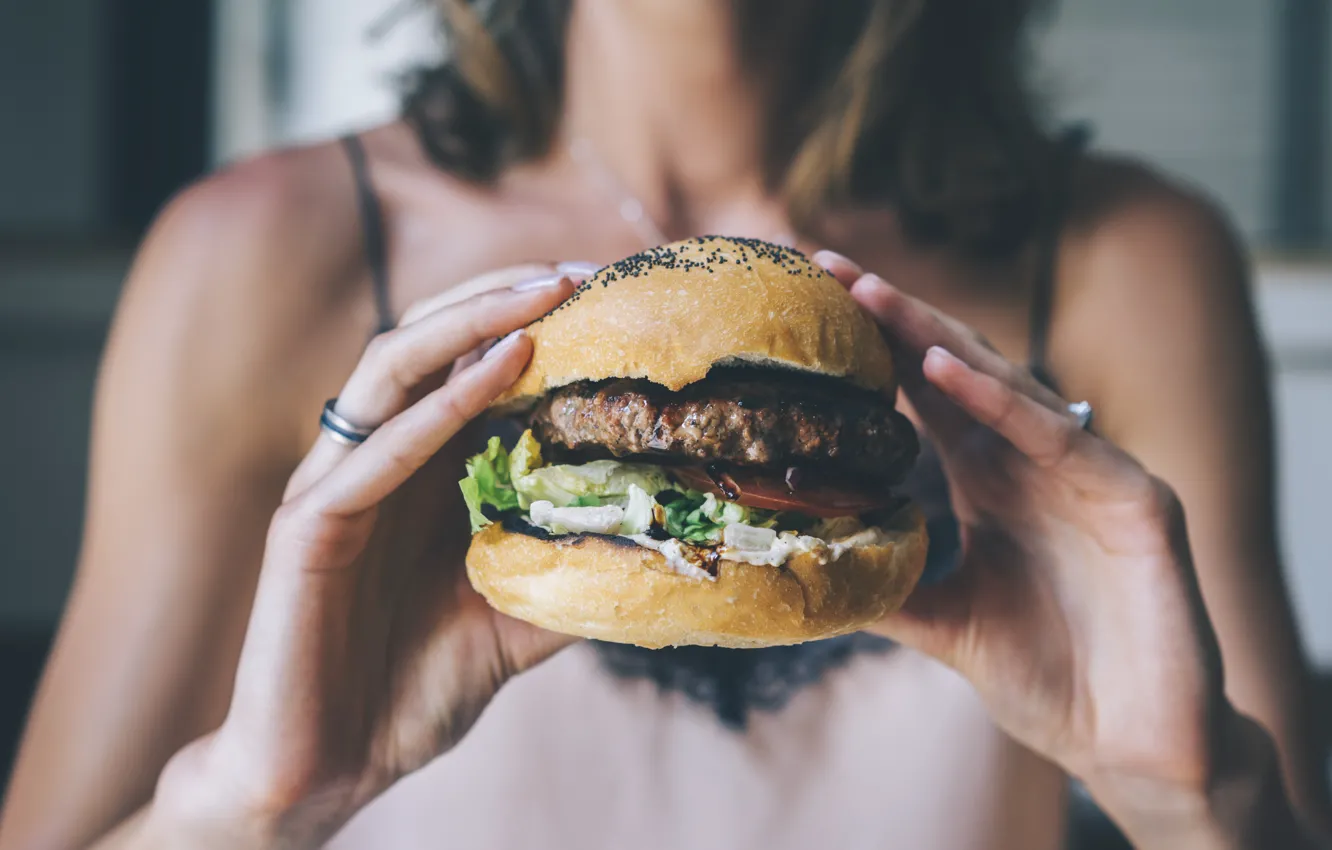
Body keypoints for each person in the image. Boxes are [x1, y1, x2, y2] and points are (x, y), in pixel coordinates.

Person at [0, 1, 1327, 847]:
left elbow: (1256, 813)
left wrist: (1199, 807)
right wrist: (254, 808)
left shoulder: (1129, 262)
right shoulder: (261, 257)